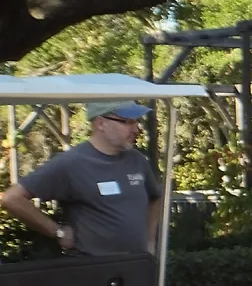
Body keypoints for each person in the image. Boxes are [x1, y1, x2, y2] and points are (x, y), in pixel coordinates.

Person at [1, 100, 161, 256]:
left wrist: (150, 242)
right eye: (127, 122)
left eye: (136, 121)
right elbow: (11, 198)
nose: (136, 129)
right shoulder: (71, 163)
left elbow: (155, 198)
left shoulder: (137, 160)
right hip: (92, 271)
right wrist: (57, 231)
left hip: (137, 266)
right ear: (101, 123)